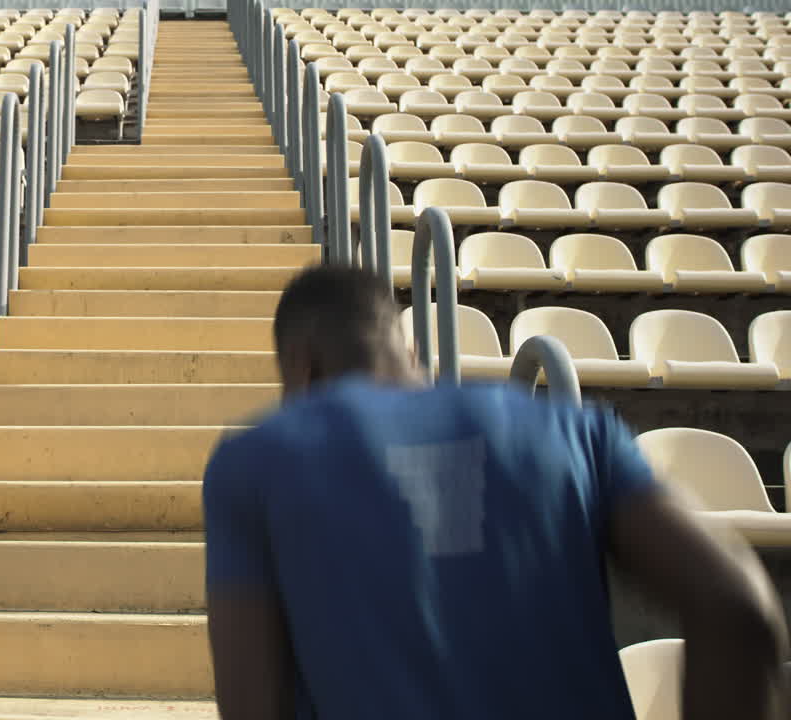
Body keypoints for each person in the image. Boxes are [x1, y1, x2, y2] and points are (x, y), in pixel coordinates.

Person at [204, 265, 787, 720]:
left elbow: (255, 709)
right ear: (412, 356)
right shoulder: (577, 430)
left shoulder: (254, 462)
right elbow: (738, 609)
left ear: (301, 369)